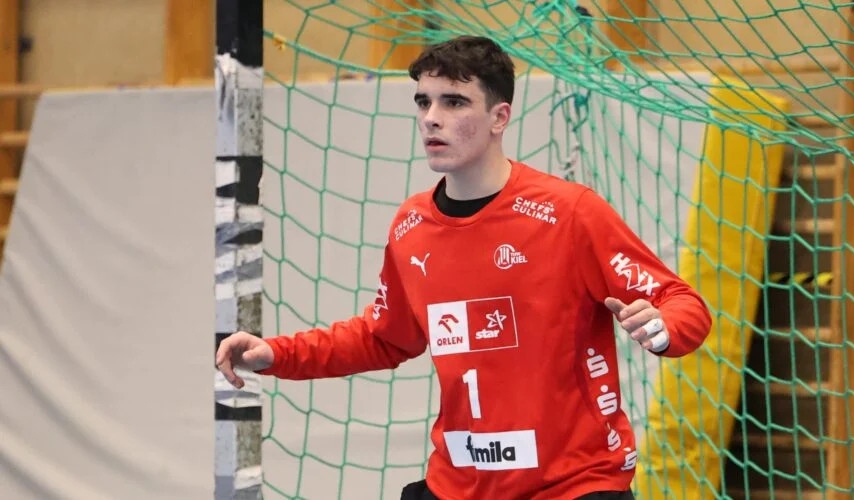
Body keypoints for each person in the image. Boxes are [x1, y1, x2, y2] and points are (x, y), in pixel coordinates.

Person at [215, 35, 713, 500]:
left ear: (499, 117)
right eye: (423, 102)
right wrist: (276, 353)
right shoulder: (411, 225)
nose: (431, 118)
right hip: (458, 484)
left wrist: (663, 329)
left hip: (574, 485)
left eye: (453, 102)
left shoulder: (570, 213)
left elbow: (682, 302)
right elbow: (383, 337)